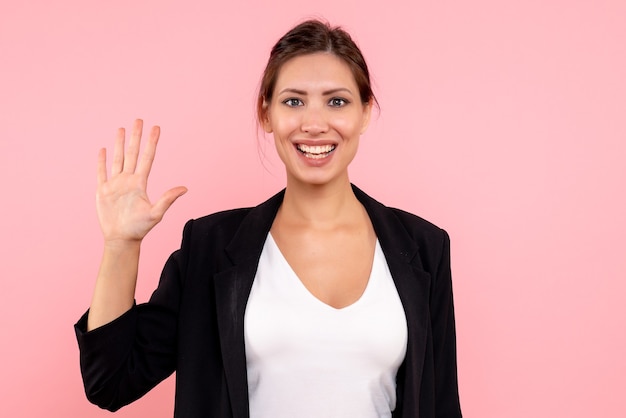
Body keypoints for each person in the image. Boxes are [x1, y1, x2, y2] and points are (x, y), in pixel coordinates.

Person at [75, 19, 463, 418]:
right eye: (294, 101)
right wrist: (120, 246)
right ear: (266, 114)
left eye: (337, 101)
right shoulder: (210, 247)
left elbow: (441, 404)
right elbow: (111, 382)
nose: (314, 123)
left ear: (365, 113)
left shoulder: (423, 248)